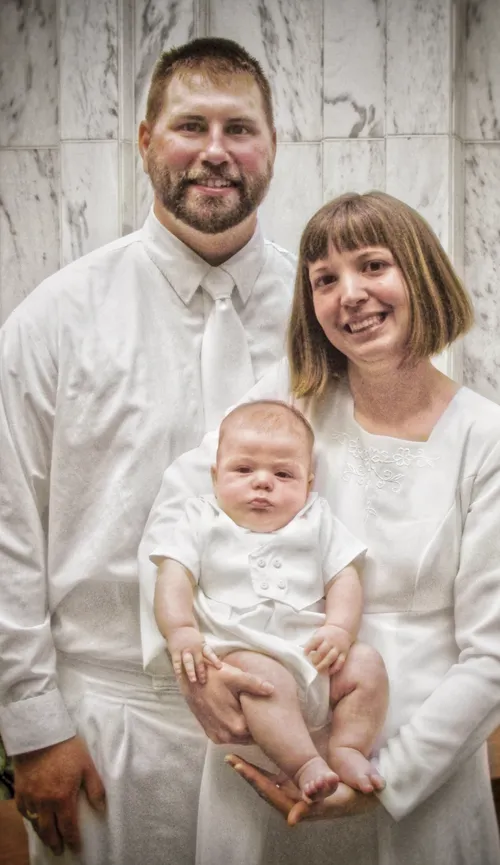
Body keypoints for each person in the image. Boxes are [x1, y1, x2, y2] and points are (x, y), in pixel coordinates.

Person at [0, 37, 297, 865]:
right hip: (110, 725)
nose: (215, 151)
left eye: (240, 129)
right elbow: (8, 525)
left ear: (273, 145)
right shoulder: (55, 319)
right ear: (144, 140)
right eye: (190, 126)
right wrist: (34, 724)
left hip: (287, 725)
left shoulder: (320, 313)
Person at [138, 191, 500, 865]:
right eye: (325, 279)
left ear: (421, 273)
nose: (350, 295)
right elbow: (178, 512)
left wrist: (388, 783)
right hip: (268, 747)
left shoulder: (486, 438)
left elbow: (492, 655)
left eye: (373, 265)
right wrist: (193, 664)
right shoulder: (291, 398)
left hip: (420, 776)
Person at [151, 399, 388, 802]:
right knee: (264, 681)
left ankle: (348, 746)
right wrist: (181, 631)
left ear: (309, 483)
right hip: (247, 653)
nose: (263, 482)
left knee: (367, 664)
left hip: (316, 657)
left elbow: (344, 575)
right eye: (244, 470)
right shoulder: (201, 518)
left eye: (283, 473)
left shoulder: (316, 518)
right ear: (215, 476)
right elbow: (174, 575)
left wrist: (339, 629)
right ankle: (304, 764)